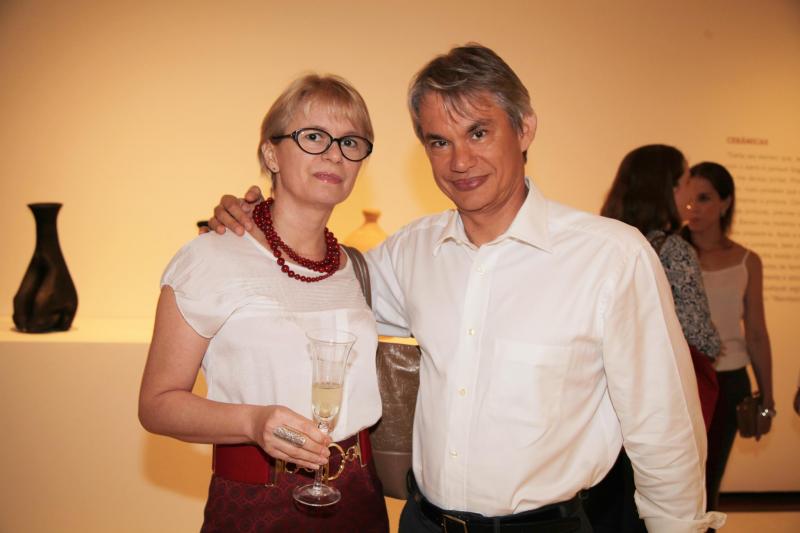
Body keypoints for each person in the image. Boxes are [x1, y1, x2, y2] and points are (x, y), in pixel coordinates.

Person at [208, 44, 725, 532]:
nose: (459, 161)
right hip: (424, 522)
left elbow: (664, 428)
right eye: (439, 141)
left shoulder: (610, 257)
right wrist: (260, 219)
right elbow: (317, 280)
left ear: (524, 128)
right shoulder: (411, 252)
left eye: (478, 133)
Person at [138, 74, 389, 533]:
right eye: (314, 136)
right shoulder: (209, 258)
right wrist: (254, 422)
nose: (335, 154)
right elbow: (156, 404)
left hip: (359, 498)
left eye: (351, 142)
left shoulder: (356, 266)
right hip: (256, 503)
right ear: (271, 154)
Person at [590, 144, 722, 532]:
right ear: (667, 187)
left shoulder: (602, 242)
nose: (690, 194)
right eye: (685, 181)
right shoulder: (674, 249)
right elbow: (699, 335)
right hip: (658, 395)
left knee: (613, 502)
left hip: (606, 396)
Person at [682, 161, 776, 512]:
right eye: (688, 198)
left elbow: (756, 333)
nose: (693, 208)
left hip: (729, 381)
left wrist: (767, 398)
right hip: (682, 377)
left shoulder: (747, 261)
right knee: (677, 479)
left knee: (709, 481)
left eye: (704, 198)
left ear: (725, 202)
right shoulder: (671, 252)